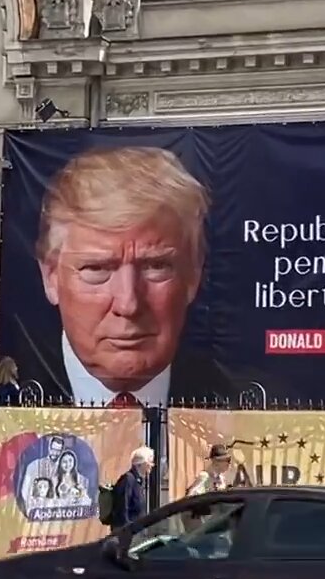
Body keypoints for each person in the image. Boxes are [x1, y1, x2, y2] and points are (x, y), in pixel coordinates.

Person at [26, 146, 237, 408]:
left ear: (193, 275)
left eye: (156, 266)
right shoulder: (1, 413)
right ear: (51, 276)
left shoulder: (247, 409)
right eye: (97, 269)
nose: (128, 304)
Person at [110, 446, 154, 532]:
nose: (152, 465)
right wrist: (127, 531)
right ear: (141, 463)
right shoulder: (128, 480)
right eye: (150, 462)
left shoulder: (138, 481)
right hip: (126, 535)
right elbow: (122, 508)